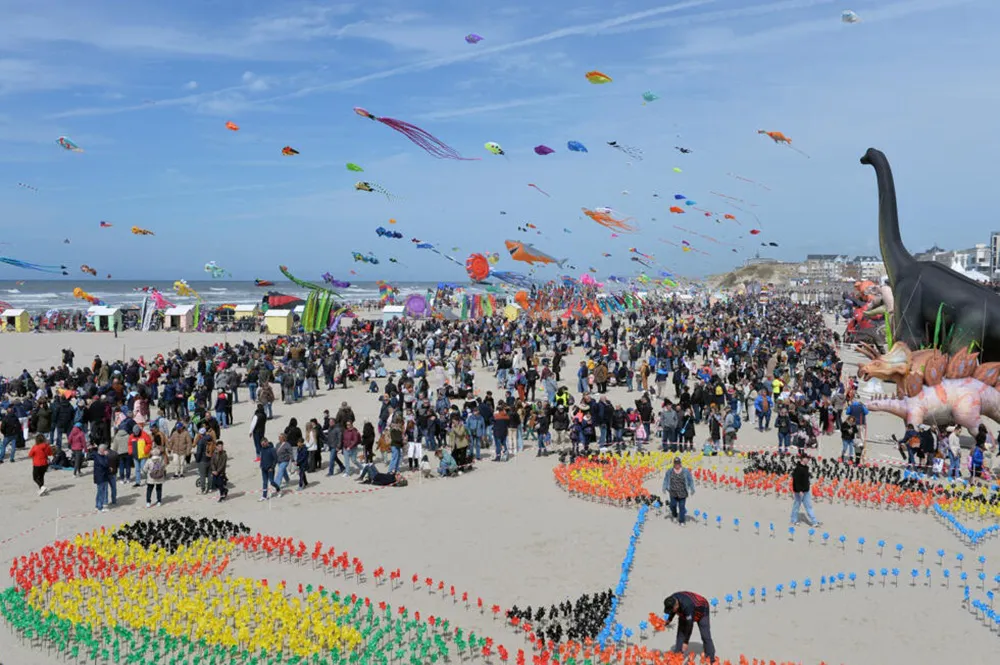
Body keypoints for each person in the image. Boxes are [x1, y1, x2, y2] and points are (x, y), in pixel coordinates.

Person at [663, 592, 715, 662]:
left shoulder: (687, 605)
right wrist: (669, 619)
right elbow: (672, 611)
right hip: (685, 612)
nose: (671, 611)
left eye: (672, 609)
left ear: (676, 605)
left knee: (705, 636)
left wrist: (686, 642)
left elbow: (689, 625)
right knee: (680, 634)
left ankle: (711, 659)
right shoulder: (672, 599)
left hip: (702, 610)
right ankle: (677, 656)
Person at [662, 457, 695, 524]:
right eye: (675, 463)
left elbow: (690, 480)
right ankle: (674, 515)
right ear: (674, 464)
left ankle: (681, 521)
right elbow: (666, 479)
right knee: (673, 505)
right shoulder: (670, 471)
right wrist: (664, 487)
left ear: (680, 463)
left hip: (683, 492)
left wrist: (692, 489)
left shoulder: (686, 471)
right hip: (673, 492)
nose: (677, 465)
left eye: (678, 463)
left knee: (682, 507)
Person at [790, 454, 821, 526]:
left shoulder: (806, 468)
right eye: (807, 458)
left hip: (806, 490)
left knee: (808, 506)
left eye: (808, 459)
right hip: (800, 491)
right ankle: (794, 520)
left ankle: (814, 522)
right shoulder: (798, 469)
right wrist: (799, 490)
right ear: (802, 459)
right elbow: (796, 481)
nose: (808, 460)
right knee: (797, 506)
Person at [93, 444, 111, 512]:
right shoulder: (99, 456)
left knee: (100, 491)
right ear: (102, 450)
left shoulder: (98, 455)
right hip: (101, 477)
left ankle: (97, 505)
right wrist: (106, 456)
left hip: (102, 476)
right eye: (105, 450)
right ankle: (100, 507)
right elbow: (105, 464)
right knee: (101, 492)